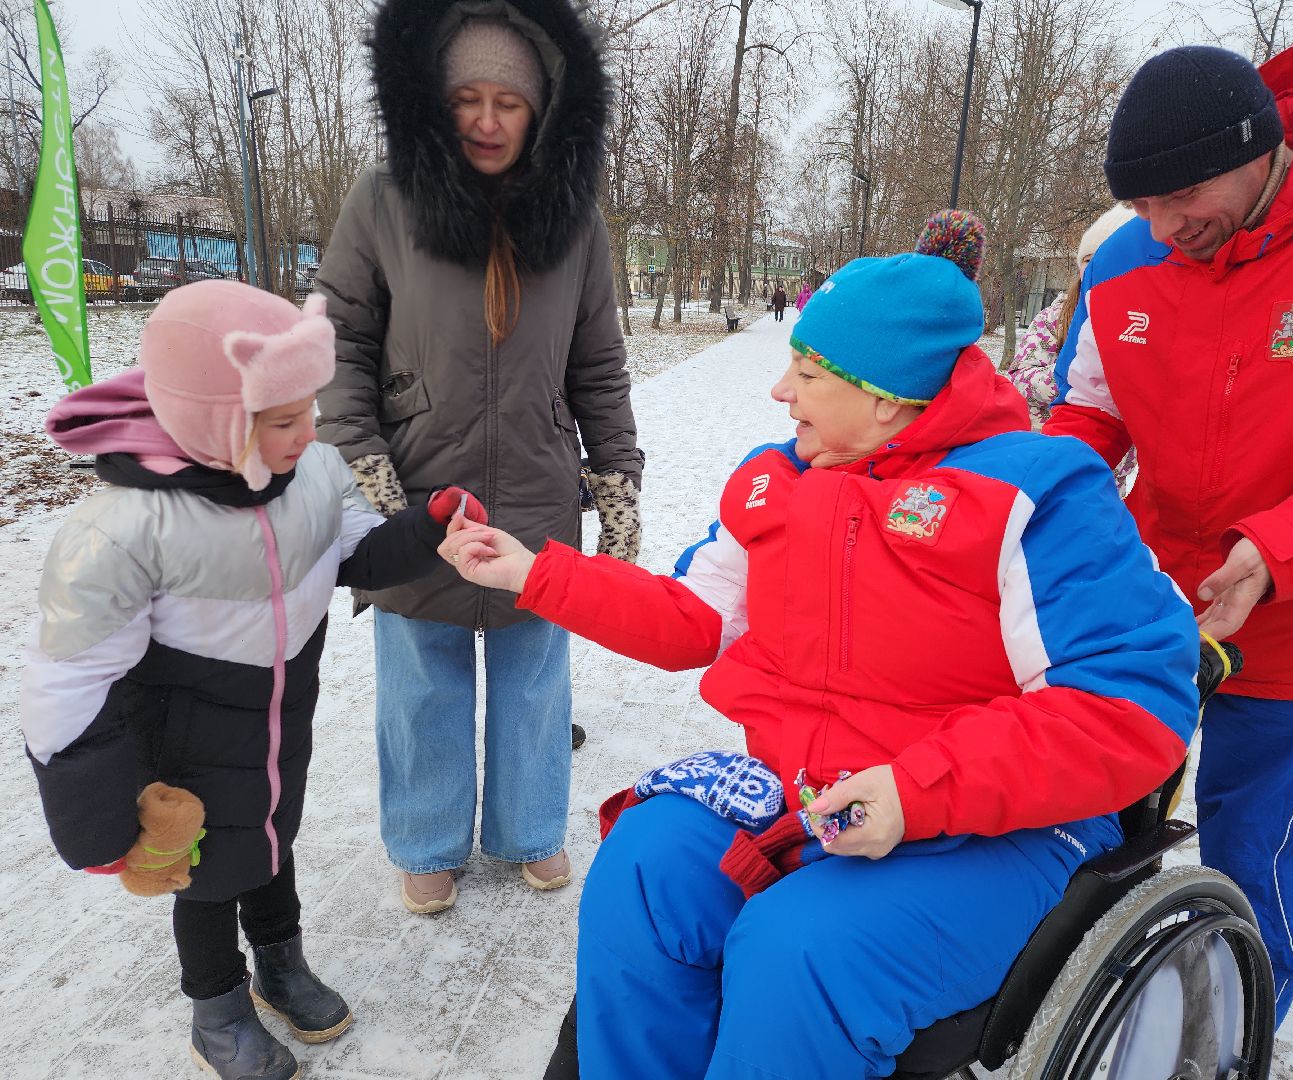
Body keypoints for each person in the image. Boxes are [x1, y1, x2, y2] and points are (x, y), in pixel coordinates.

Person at [441, 213, 1199, 1078]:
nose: (781, 391)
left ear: (885, 398)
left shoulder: (1036, 493)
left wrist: (915, 792)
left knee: (796, 951)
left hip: (999, 828)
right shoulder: (780, 482)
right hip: (815, 798)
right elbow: (692, 618)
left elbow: (1126, 705)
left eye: (807, 373)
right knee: (643, 868)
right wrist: (535, 572)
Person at [1047, 44, 1293, 1024]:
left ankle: (1224, 1042)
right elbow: (1087, 418)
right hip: (1145, 614)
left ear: (1259, 148)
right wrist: (1039, 515)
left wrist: (1277, 550)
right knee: (1084, 830)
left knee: (1252, 868)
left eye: (1183, 195)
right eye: (1141, 203)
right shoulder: (1127, 260)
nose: (1162, 227)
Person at [19, 281, 481, 1080]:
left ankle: (279, 960)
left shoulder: (316, 471)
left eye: (309, 410)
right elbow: (69, 682)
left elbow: (358, 553)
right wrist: (98, 827)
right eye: (282, 420)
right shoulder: (124, 529)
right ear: (214, 419)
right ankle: (217, 1007)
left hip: (277, 720)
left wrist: (427, 528)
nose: (308, 432)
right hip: (181, 741)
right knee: (205, 876)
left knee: (270, 839)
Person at [315, 0, 644, 912]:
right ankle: (426, 839)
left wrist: (618, 489)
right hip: (419, 490)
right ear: (433, 99)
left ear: (542, 111)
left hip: (539, 486)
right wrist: (366, 471)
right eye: (468, 99)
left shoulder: (578, 221)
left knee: (535, 675)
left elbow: (598, 365)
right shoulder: (382, 201)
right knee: (423, 675)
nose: (488, 121)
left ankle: (530, 827)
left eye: (510, 102)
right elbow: (339, 342)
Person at [1005, 204, 1138, 493]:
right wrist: (1078, 376)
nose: (1094, 267)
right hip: (1046, 452)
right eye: (1088, 259)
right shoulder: (1055, 317)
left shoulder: (1139, 321)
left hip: (1109, 473)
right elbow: (1020, 378)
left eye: (1104, 258)